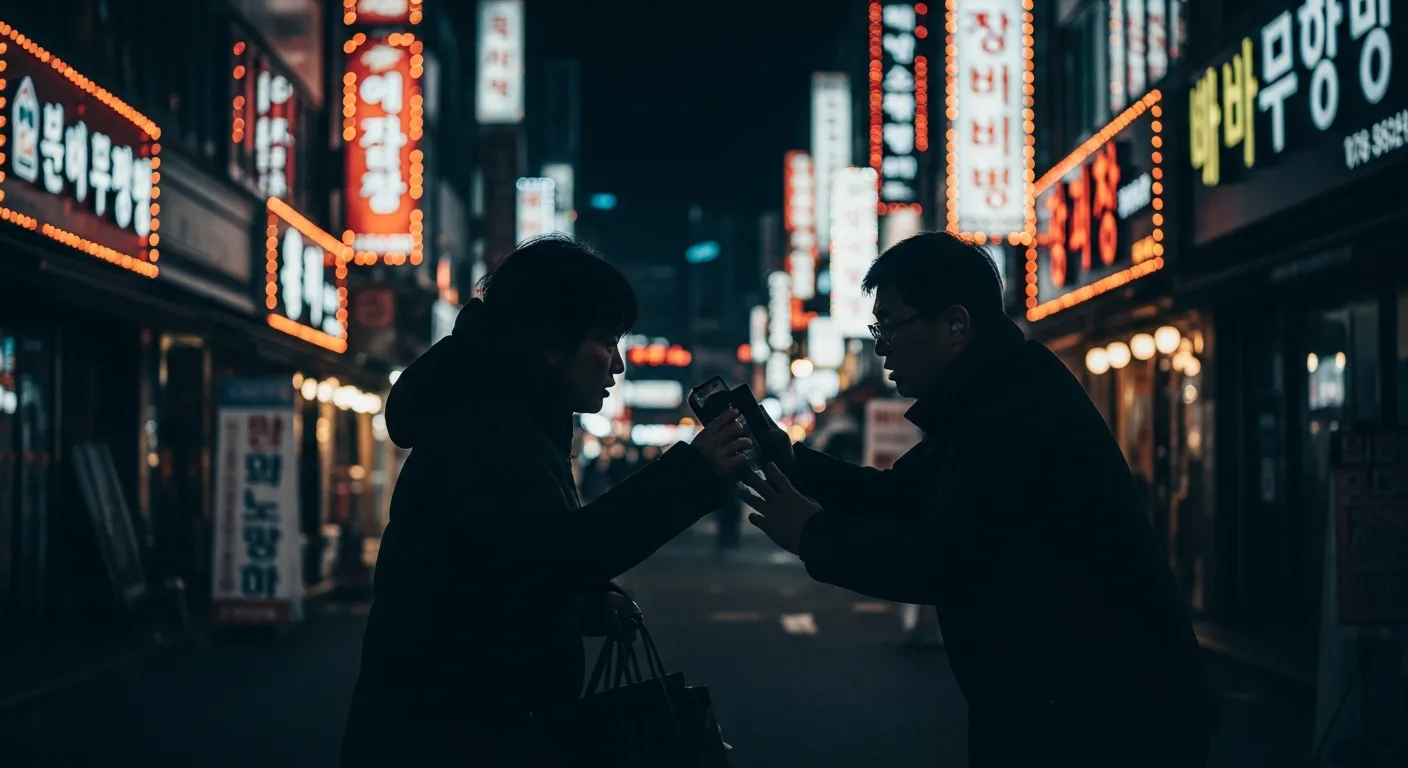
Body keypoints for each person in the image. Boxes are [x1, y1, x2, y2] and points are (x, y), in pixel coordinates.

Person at [741, 232, 1219, 767]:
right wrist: (793, 461)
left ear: (954, 324)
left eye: (891, 325)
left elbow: (944, 560)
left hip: (1106, 718)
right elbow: (903, 493)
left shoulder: (1012, 408)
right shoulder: (989, 393)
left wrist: (812, 533)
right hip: (1069, 702)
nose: (881, 345)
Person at [339, 236, 751, 767]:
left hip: (457, 724)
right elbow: (557, 553)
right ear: (551, 342)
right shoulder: (487, 427)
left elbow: (502, 567)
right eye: (605, 342)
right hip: (452, 735)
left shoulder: (506, 415)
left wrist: (580, 605)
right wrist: (691, 473)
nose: (618, 365)